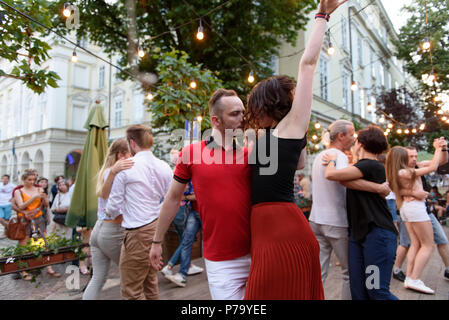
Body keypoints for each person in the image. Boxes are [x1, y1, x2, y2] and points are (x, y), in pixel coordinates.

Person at [241, 1, 349, 300]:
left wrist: (322, 16)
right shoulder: (272, 135)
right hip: (268, 227)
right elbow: (299, 163)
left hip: (280, 228)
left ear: (267, 103)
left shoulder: (288, 127)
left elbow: (307, 64)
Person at [150, 88, 252, 300]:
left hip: (259, 253)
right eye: (235, 114)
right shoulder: (191, 153)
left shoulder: (250, 153)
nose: (243, 119)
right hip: (221, 261)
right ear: (216, 120)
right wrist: (157, 241)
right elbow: (172, 198)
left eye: (243, 112)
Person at [309, 120, 391, 300]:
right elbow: (343, 180)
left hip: (316, 220)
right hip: (336, 221)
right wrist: (378, 188)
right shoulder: (339, 156)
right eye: (352, 133)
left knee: (320, 272)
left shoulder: (319, 156)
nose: (355, 138)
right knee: (349, 273)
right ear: (341, 136)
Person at [106, 124, 172, 300]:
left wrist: (112, 212)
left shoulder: (126, 167)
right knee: (150, 283)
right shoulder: (164, 166)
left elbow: (112, 207)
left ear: (132, 143)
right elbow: (172, 200)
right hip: (156, 229)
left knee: (131, 290)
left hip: (137, 232)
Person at [385, 139, 445, 294]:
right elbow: (433, 166)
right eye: (408, 156)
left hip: (408, 209)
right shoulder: (404, 172)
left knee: (416, 244)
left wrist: (441, 150)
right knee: (428, 245)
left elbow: (435, 163)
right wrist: (437, 147)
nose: (412, 158)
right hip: (415, 209)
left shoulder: (399, 171)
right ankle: (414, 278)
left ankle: (410, 277)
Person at [83, 138, 134, 300]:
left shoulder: (107, 171)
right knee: (132, 275)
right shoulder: (116, 172)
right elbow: (109, 199)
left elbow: (103, 195)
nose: (134, 156)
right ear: (121, 155)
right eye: (131, 153)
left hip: (99, 229)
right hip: (113, 230)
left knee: (97, 279)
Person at [14, 170, 49, 280]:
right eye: (29, 180)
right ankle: (22, 270)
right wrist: (34, 198)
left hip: (38, 218)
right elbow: (20, 206)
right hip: (24, 220)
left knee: (44, 242)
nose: (32, 182)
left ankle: (46, 266)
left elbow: (46, 204)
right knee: (23, 244)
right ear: (23, 180)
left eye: (33, 179)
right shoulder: (18, 191)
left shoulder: (39, 189)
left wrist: (44, 198)